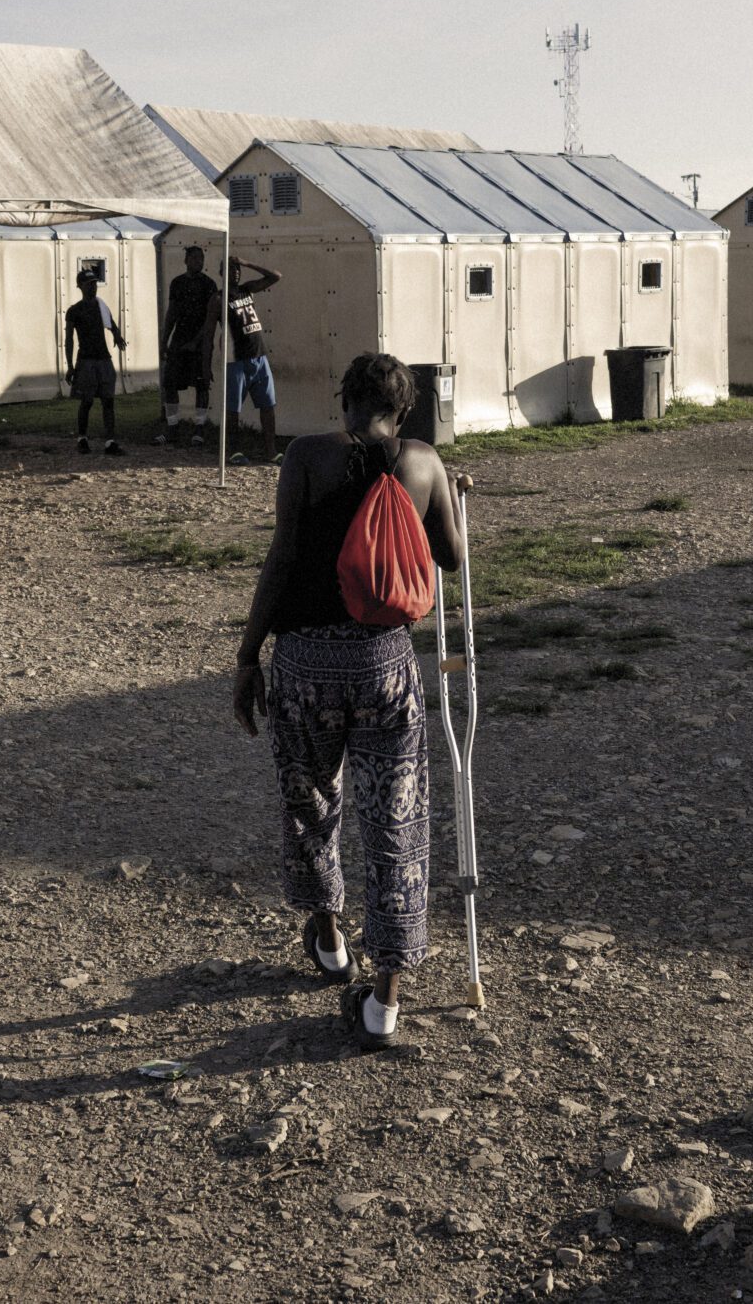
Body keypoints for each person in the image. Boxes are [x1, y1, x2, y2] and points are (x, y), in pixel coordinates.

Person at [232, 353, 469, 1051]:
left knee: (310, 804)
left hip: (304, 664)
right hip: (385, 666)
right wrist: (449, 494)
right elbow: (450, 558)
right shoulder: (422, 462)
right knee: (396, 823)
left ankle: (331, 942)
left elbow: (281, 556)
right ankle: (384, 1006)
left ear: (344, 401)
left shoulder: (305, 455)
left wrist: (249, 657)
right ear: (406, 409)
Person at [157, 245, 221, 446]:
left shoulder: (209, 284)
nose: (198, 262)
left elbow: (210, 319)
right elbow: (172, 313)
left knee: (201, 384)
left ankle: (199, 429)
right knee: (170, 383)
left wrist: (196, 341)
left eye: (201, 258)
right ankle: (172, 428)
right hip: (179, 339)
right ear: (186, 261)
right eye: (194, 258)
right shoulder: (177, 283)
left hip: (200, 343)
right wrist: (164, 340)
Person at [224, 257, 281, 465]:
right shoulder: (219, 298)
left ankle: (271, 451)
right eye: (230, 269)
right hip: (236, 359)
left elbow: (275, 276)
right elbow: (210, 329)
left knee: (267, 405)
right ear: (222, 273)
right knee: (233, 408)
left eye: (237, 269)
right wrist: (206, 363)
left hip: (259, 356)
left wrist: (248, 263)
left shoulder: (246, 290)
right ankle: (234, 450)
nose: (236, 272)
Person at [65, 268, 127, 455]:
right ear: (80, 286)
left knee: (108, 401)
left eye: (94, 284)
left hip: (103, 359)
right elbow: (69, 339)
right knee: (87, 401)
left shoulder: (101, 306)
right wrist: (70, 366)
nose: (93, 288)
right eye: (88, 284)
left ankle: (110, 442)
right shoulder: (75, 310)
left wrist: (117, 336)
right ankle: (82, 439)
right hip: (86, 360)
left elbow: (112, 325)